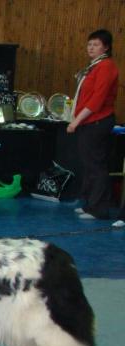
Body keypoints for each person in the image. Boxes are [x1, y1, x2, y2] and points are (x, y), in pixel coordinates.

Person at [67, 29, 119, 220]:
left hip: (97, 121)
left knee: (96, 165)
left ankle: (99, 208)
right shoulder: (93, 67)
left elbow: (97, 100)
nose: (91, 48)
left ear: (106, 47)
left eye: (96, 44)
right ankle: (90, 204)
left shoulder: (106, 66)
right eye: (89, 44)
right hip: (88, 121)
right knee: (89, 165)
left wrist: (76, 120)